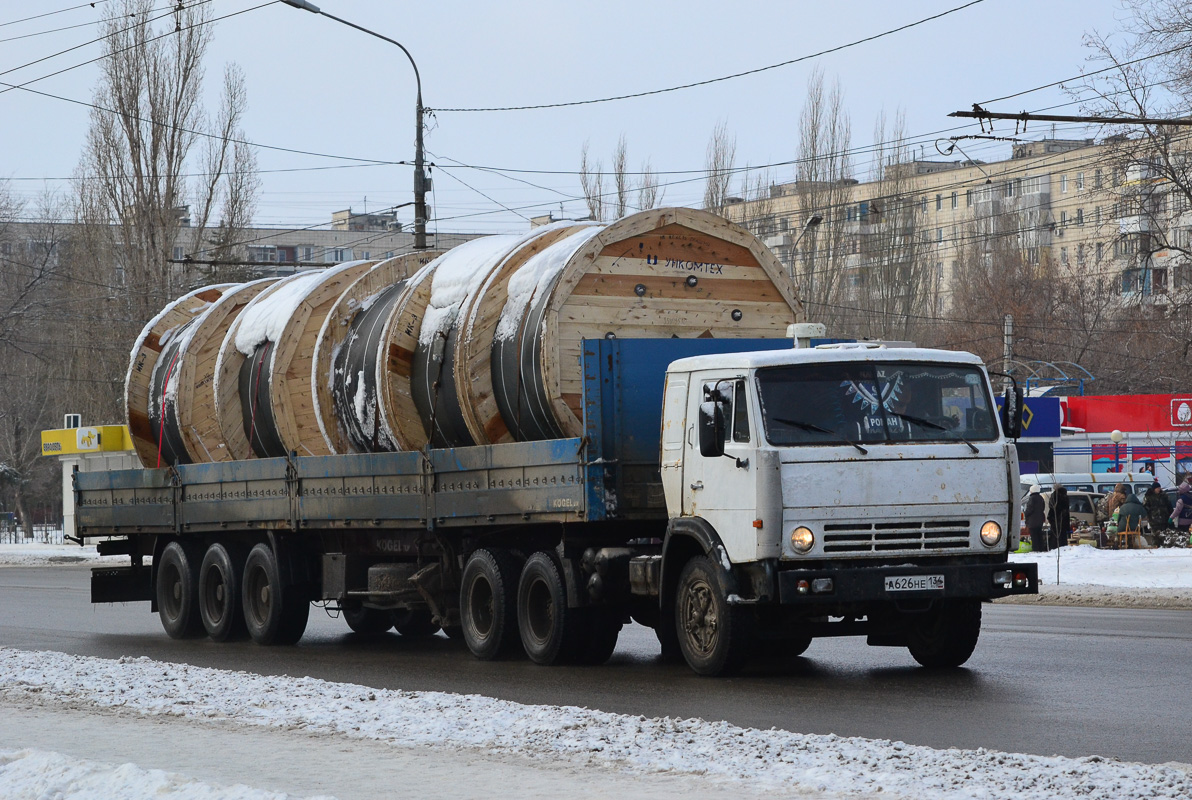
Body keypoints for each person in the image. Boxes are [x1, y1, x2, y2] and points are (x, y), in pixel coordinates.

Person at [1046, 485, 1071, 550]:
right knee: (1063, 535)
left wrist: (1051, 518)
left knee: (1055, 536)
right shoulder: (1065, 496)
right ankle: (1063, 547)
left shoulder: (1054, 496)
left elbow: (1052, 507)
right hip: (1064, 518)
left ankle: (1055, 547)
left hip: (1056, 518)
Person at [1024, 485, 1046, 552]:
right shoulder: (1041, 498)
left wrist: (1026, 513)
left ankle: (1035, 549)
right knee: (1039, 535)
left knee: (1034, 536)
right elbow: (1043, 508)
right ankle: (1041, 548)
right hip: (1040, 520)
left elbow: (1030, 509)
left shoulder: (1032, 498)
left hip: (1032, 521)